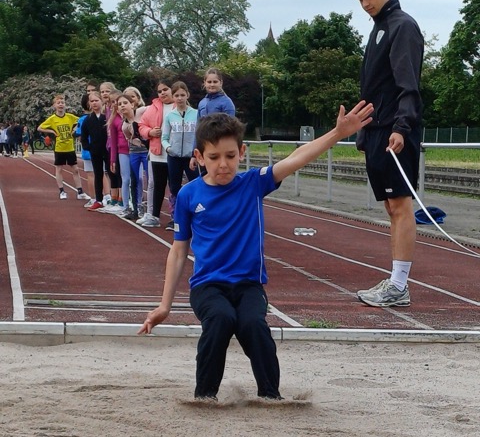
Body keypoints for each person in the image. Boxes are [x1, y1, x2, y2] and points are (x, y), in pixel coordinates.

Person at [138, 103, 373, 401]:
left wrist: (337, 133)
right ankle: (204, 397)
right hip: (207, 286)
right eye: (214, 157)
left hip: (249, 285)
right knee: (221, 319)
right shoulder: (188, 195)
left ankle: (270, 396)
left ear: (242, 152)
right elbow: (179, 250)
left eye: (230, 156)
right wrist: (165, 305)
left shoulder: (253, 183)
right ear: (199, 157)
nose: (223, 164)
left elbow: (296, 158)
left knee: (253, 325)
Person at [351, 0, 424, 308]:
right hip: (377, 129)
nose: (366, 3)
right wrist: (364, 130)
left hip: (395, 130)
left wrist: (401, 127)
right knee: (391, 207)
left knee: (400, 204)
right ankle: (396, 282)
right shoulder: (378, 28)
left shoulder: (402, 26)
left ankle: (398, 285)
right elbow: (374, 87)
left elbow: (408, 84)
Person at [138, 78, 175, 228]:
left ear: (172, 90)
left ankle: (175, 218)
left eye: (165, 89)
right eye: (159, 91)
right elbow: (141, 125)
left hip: (174, 153)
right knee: (158, 185)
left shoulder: (180, 105)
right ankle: (154, 216)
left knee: (174, 186)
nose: (162, 93)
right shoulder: (153, 108)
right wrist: (150, 132)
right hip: (157, 153)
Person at [38, 95, 89, 200]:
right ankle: (62, 191)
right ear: (54, 105)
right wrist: (52, 131)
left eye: (62, 102)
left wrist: (75, 129)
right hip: (59, 148)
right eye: (58, 103)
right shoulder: (52, 119)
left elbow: (81, 121)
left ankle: (80, 191)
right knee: (59, 169)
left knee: (75, 170)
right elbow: (40, 128)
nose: (61, 104)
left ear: (65, 105)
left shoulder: (70, 117)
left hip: (70, 148)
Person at [162, 81, 198, 230]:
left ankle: (195, 215)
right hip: (174, 157)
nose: (180, 98)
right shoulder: (170, 116)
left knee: (194, 185)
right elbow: (164, 137)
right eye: (176, 95)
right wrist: (169, 148)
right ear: (173, 97)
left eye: (182, 95)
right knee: (174, 187)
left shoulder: (196, 114)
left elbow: (199, 135)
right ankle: (175, 217)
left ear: (187, 95)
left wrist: (195, 152)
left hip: (191, 157)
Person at [190, 68, 235, 177]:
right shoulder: (202, 103)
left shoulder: (227, 102)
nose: (212, 84)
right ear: (204, 83)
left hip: (219, 150)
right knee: (205, 178)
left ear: (221, 83)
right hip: (204, 149)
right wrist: (194, 154)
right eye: (209, 82)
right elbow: (198, 129)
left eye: (215, 81)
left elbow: (231, 128)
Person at [80, 91, 109, 211]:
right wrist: (88, 147)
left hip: (108, 150)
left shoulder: (107, 117)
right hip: (95, 151)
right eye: (92, 101)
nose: (94, 103)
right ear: (89, 104)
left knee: (111, 173)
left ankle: (113, 199)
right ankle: (98, 200)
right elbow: (83, 136)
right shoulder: (88, 120)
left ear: (102, 101)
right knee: (98, 174)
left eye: (96, 100)